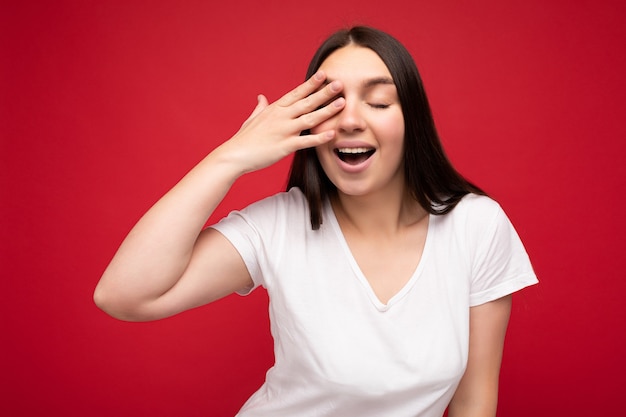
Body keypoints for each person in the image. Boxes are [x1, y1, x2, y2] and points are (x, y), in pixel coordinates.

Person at [94, 26, 538, 417]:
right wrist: (231, 157)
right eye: (331, 103)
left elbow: (474, 402)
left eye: (379, 101)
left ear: (412, 122)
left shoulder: (476, 226)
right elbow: (123, 295)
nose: (349, 120)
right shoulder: (277, 227)